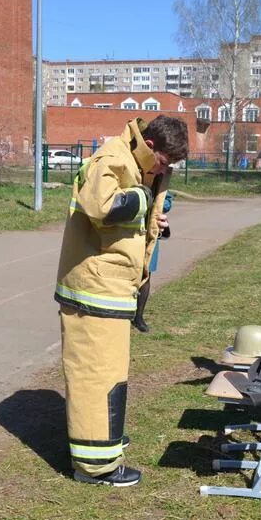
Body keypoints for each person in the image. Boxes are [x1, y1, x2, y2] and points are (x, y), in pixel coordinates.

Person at [55, 115, 189, 487]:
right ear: (149, 145)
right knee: (96, 377)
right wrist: (144, 200)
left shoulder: (138, 164)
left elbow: (131, 221)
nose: (166, 169)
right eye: (165, 161)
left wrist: (154, 223)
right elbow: (102, 206)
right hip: (93, 290)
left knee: (110, 374)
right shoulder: (113, 159)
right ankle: (94, 466)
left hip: (112, 289)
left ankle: (104, 439)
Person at [132, 190, 173, 333]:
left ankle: (138, 317)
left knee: (146, 273)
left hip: (150, 232)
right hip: (128, 232)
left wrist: (157, 205)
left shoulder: (158, 179)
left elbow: (167, 200)